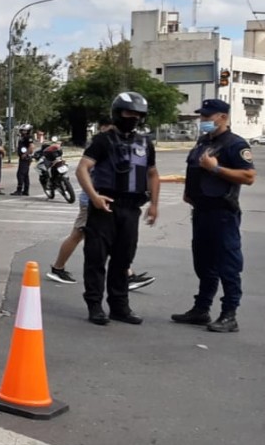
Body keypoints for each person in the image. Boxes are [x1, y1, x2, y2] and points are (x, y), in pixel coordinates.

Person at [172, 99, 256, 333]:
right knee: (204, 263)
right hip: (201, 211)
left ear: (223, 117)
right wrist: (189, 192)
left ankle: (230, 314)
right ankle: (201, 309)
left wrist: (216, 169)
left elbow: (249, 177)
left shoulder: (235, 144)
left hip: (223, 213)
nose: (203, 121)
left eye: (208, 117)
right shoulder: (203, 142)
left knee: (228, 265)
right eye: (202, 117)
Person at [76, 93, 160, 325]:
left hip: (131, 208)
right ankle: (95, 305)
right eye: (128, 113)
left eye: (137, 115)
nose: (132, 118)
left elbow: (152, 173)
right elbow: (83, 168)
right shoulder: (103, 141)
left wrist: (154, 204)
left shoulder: (144, 142)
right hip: (105, 205)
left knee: (123, 259)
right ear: (117, 113)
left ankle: (119, 306)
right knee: (96, 258)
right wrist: (93, 196)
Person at [47, 120, 154, 291]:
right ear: (104, 127)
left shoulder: (113, 144)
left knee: (94, 236)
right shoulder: (101, 144)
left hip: (97, 198)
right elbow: (86, 171)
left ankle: (127, 274)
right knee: (82, 235)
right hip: (92, 198)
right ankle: (58, 268)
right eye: (111, 126)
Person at [12, 124, 34, 195]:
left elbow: (31, 147)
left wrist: (25, 154)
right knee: (25, 174)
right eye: (22, 130)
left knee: (20, 174)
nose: (22, 132)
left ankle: (19, 190)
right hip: (23, 158)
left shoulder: (28, 137)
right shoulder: (23, 137)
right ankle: (26, 190)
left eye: (24, 130)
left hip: (25, 158)